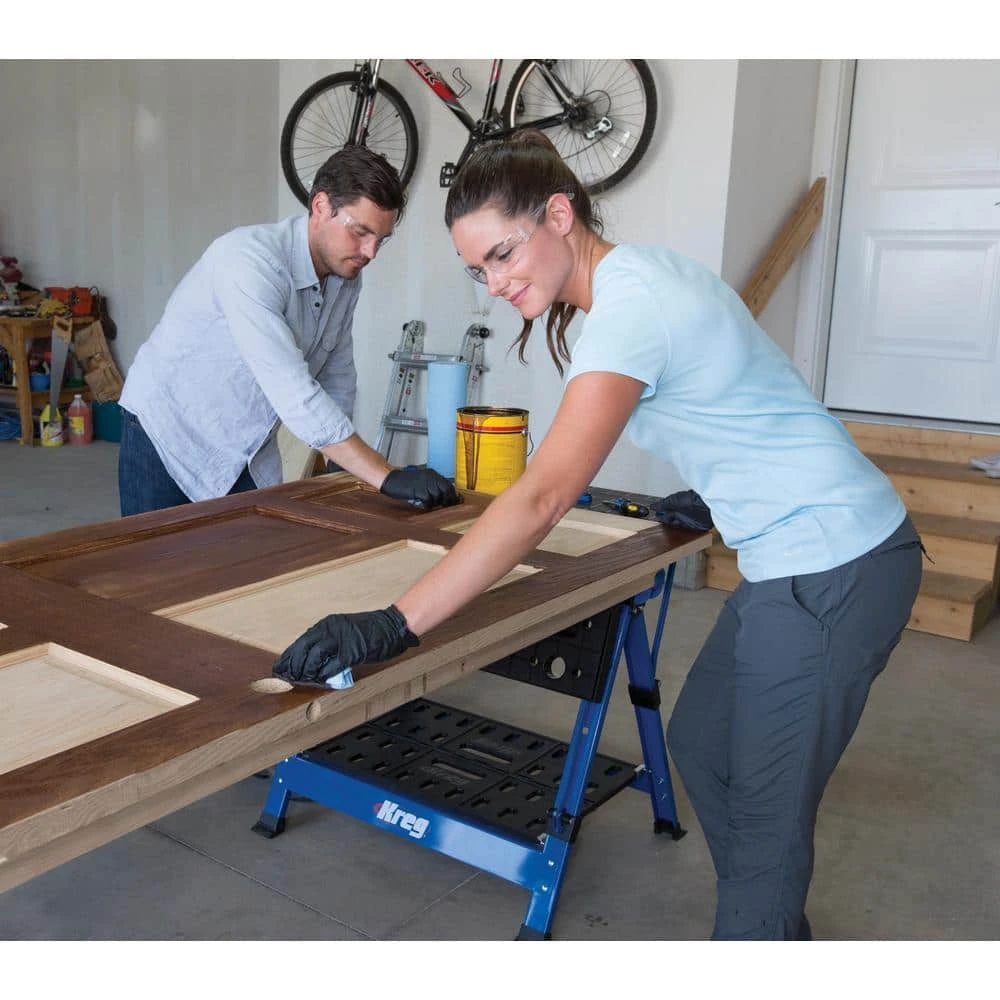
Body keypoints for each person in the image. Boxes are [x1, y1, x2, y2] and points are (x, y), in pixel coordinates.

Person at [273, 131, 923, 940]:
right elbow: (746, 385)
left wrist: (395, 624)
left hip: (836, 562)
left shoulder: (630, 307)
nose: (496, 283)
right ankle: (770, 925)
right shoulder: (642, 280)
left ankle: (759, 927)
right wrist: (726, 491)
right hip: (789, 551)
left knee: (765, 822)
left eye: (504, 254)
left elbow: (543, 496)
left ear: (558, 215)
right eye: (479, 270)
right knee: (701, 744)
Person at [118, 145, 460, 517]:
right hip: (168, 434)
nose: (371, 252)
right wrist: (384, 474)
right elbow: (293, 391)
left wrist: (343, 467)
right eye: (361, 232)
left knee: (254, 552)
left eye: (381, 239)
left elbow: (337, 375)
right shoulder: (248, 262)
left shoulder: (346, 277)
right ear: (321, 207)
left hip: (245, 445)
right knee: (158, 553)